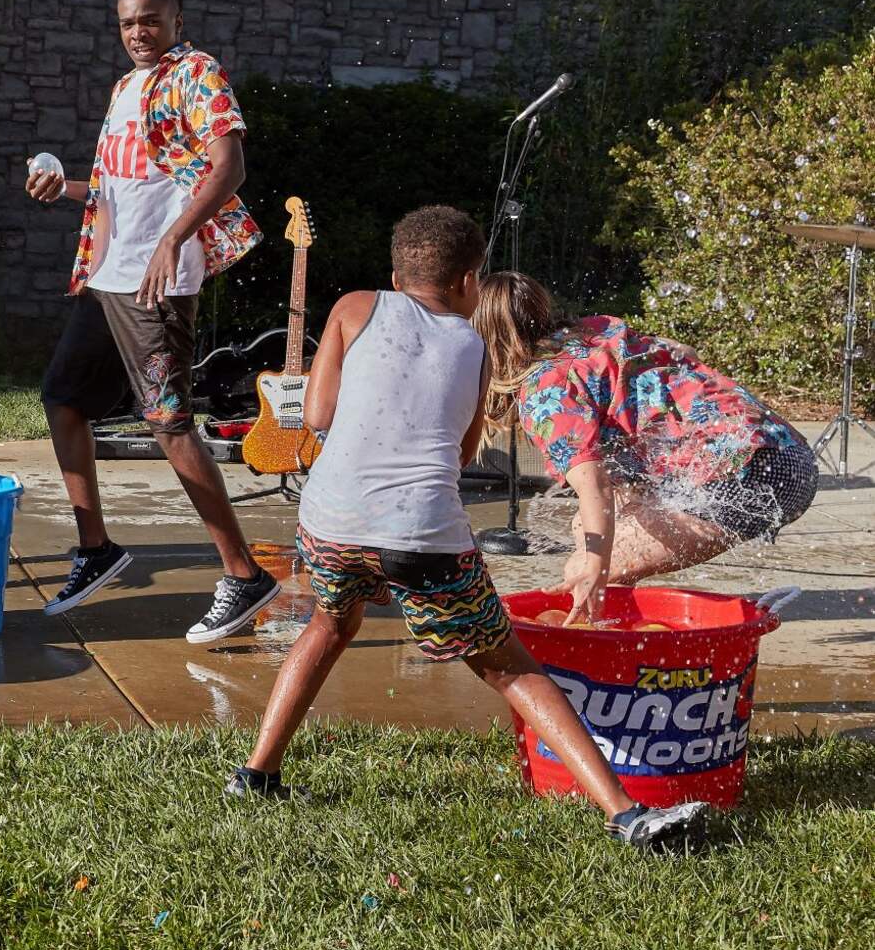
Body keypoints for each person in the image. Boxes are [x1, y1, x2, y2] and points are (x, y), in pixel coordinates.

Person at [226, 208, 711, 850]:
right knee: (509, 666)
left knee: (330, 622)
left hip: (328, 521)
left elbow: (316, 414)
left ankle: (256, 774)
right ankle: (626, 814)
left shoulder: (352, 306)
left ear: (398, 274)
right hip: (422, 536)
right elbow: (458, 457)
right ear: (469, 281)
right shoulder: (475, 348)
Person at [25, 0, 278, 642]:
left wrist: (175, 239)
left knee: (169, 423)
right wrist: (67, 189)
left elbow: (230, 166)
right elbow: (120, 189)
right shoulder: (127, 87)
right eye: (129, 23)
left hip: (156, 282)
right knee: (65, 399)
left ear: (177, 20)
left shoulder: (197, 74)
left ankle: (244, 575)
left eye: (152, 20)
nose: (140, 32)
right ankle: (96, 548)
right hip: (108, 274)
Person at [474, 272, 816, 615]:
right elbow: (683, 352)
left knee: (584, 568)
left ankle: (612, 653)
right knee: (585, 526)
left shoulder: (547, 391)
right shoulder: (595, 330)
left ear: (487, 344)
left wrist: (596, 566)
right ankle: (617, 622)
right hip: (785, 452)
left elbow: (594, 487)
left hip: (752, 475)